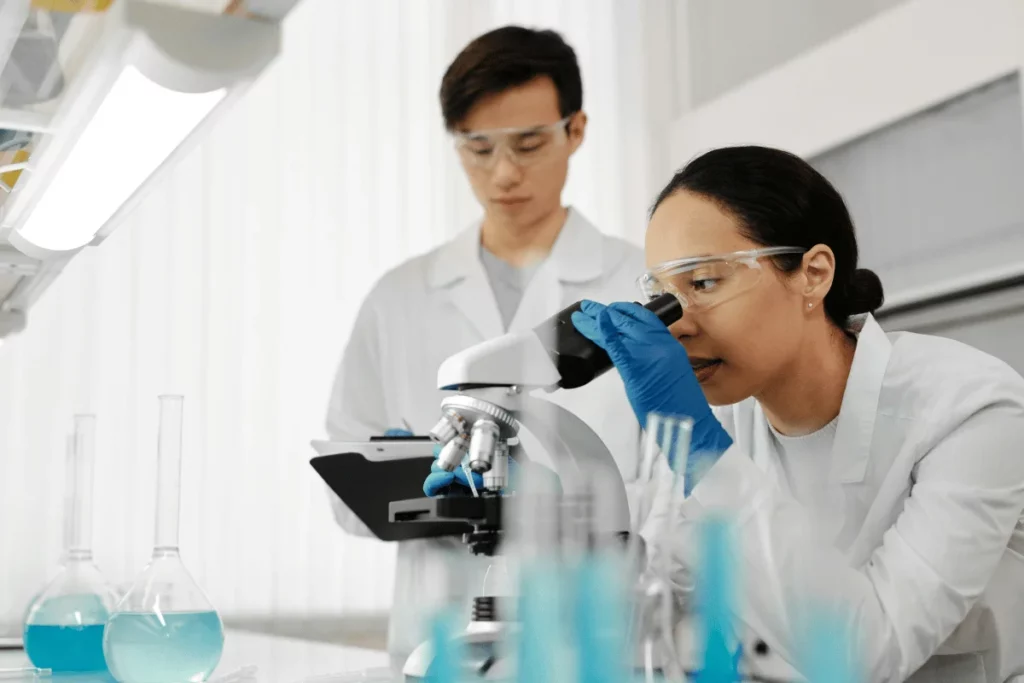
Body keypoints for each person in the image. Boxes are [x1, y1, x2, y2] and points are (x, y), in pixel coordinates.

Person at [568, 146, 1024, 682]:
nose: (676, 324)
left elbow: (866, 654)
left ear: (813, 273)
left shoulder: (971, 408)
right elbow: (668, 605)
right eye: (663, 296)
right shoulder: (726, 419)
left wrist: (702, 454)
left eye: (703, 283)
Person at [324, 26, 644, 668]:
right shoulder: (400, 296)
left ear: (575, 130)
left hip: (591, 641)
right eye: (477, 148)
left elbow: (689, 481)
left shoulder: (636, 286)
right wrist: (411, 482)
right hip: (434, 639)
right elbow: (343, 488)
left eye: (528, 144)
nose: (503, 173)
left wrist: (560, 499)